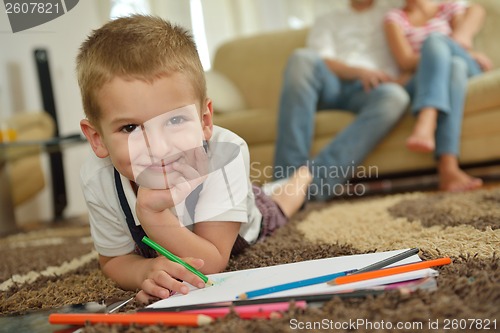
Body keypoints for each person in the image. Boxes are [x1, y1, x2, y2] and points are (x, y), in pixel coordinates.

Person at [76, 15, 312, 303]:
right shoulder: (98, 176)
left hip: (245, 218)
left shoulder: (225, 152)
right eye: (130, 128)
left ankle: (302, 177)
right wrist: (144, 270)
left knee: (281, 204)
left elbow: (211, 262)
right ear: (97, 139)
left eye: (175, 120)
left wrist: (153, 214)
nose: (158, 147)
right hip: (194, 220)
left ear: (204, 121)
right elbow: (113, 261)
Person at [273, 0, 410, 201]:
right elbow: (323, 59)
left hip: (374, 89)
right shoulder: (328, 19)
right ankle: (285, 181)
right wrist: (359, 71)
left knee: (396, 97)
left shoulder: (394, 12)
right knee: (301, 58)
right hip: (332, 84)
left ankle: (310, 185)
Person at [384, 0, 493, 191]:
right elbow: (405, 61)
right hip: (427, 76)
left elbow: (461, 42)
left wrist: (438, 47)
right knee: (453, 66)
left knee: (437, 43)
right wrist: (437, 55)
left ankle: (427, 118)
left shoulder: (448, 6)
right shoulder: (394, 18)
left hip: (467, 65)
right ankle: (448, 168)